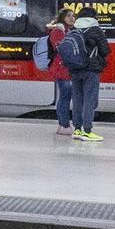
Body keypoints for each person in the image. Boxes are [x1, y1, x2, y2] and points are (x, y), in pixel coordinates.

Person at [61, 12, 112, 142]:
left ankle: (77, 129)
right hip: (91, 69)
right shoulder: (95, 30)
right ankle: (87, 131)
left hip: (75, 69)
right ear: (93, 17)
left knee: (77, 99)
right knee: (89, 100)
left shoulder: (74, 29)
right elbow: (106, 50)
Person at [42, 8, 77, 136]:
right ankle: (64, 125)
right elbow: (62, 49)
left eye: (73, 16)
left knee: (65, 97)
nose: (72, 18)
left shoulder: (66, 31)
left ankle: (63, 124)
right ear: (63, 18)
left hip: (65, 68)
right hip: (61, 69)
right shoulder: (58, 31)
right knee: (64, 97)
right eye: (69, 16)